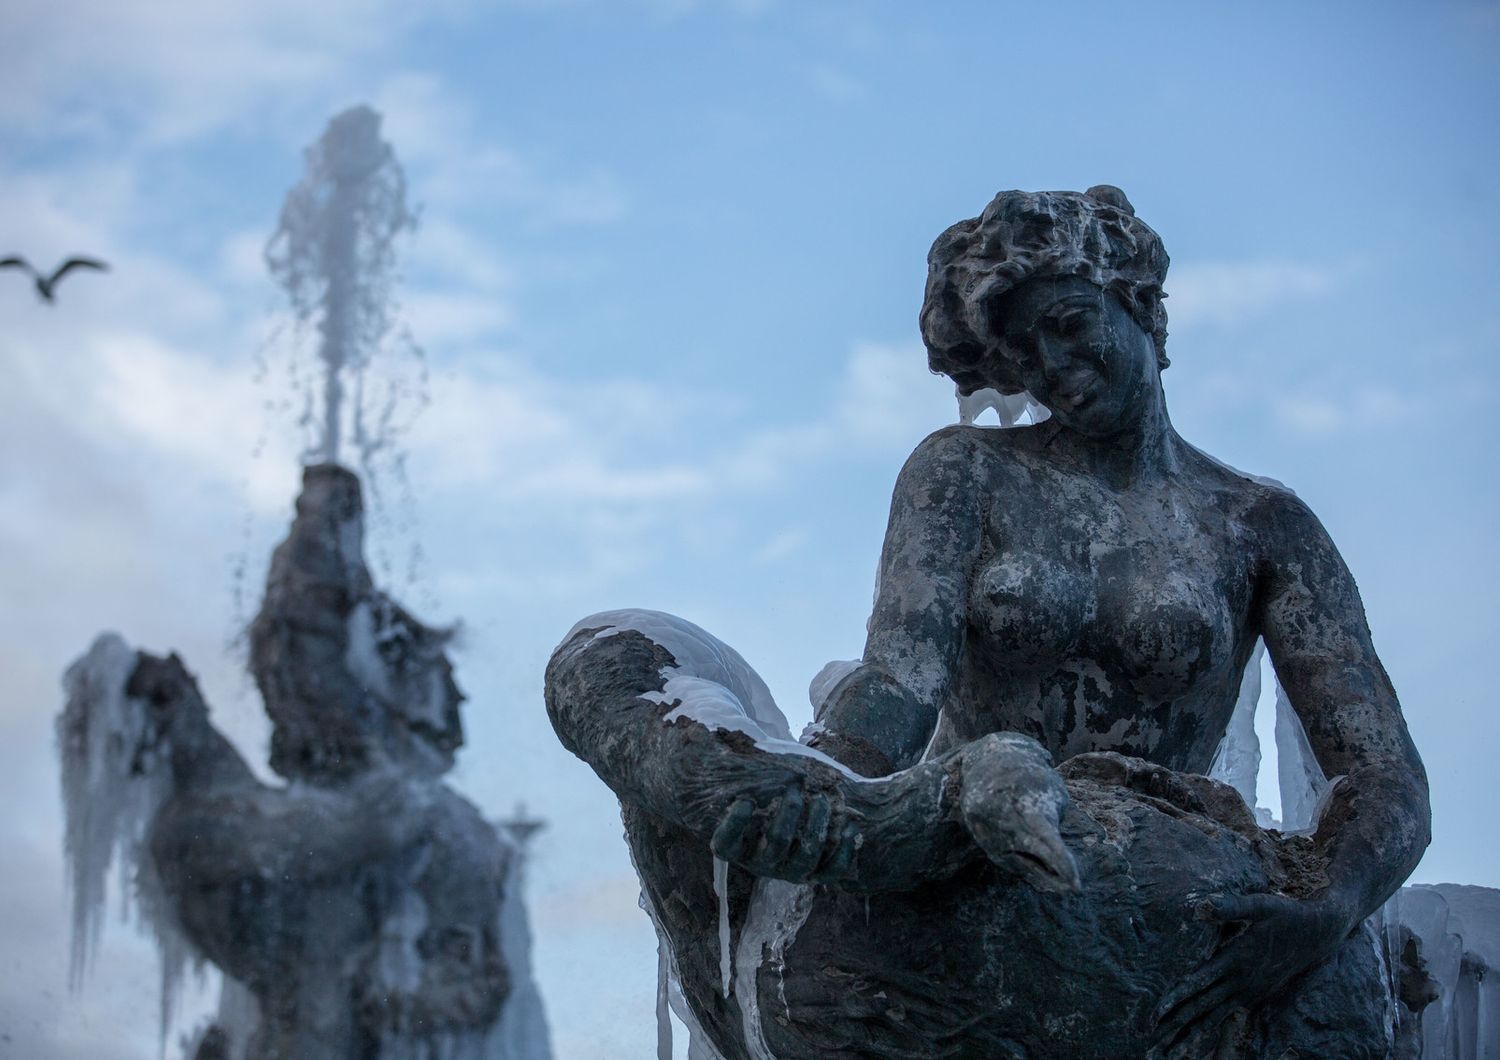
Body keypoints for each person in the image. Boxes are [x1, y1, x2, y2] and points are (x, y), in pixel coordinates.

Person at [547, 186, 1429, 1059]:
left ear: (1142, 306)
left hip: (1155, 887)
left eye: (1072, 325)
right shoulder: (962, 472)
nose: (1053, 367)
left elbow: (1384, 773)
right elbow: (897, 688)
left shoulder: (1261, 526)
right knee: (622, 675)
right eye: (1024, 350)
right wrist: (819, 808)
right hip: (964, 864)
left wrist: (1331, 904)